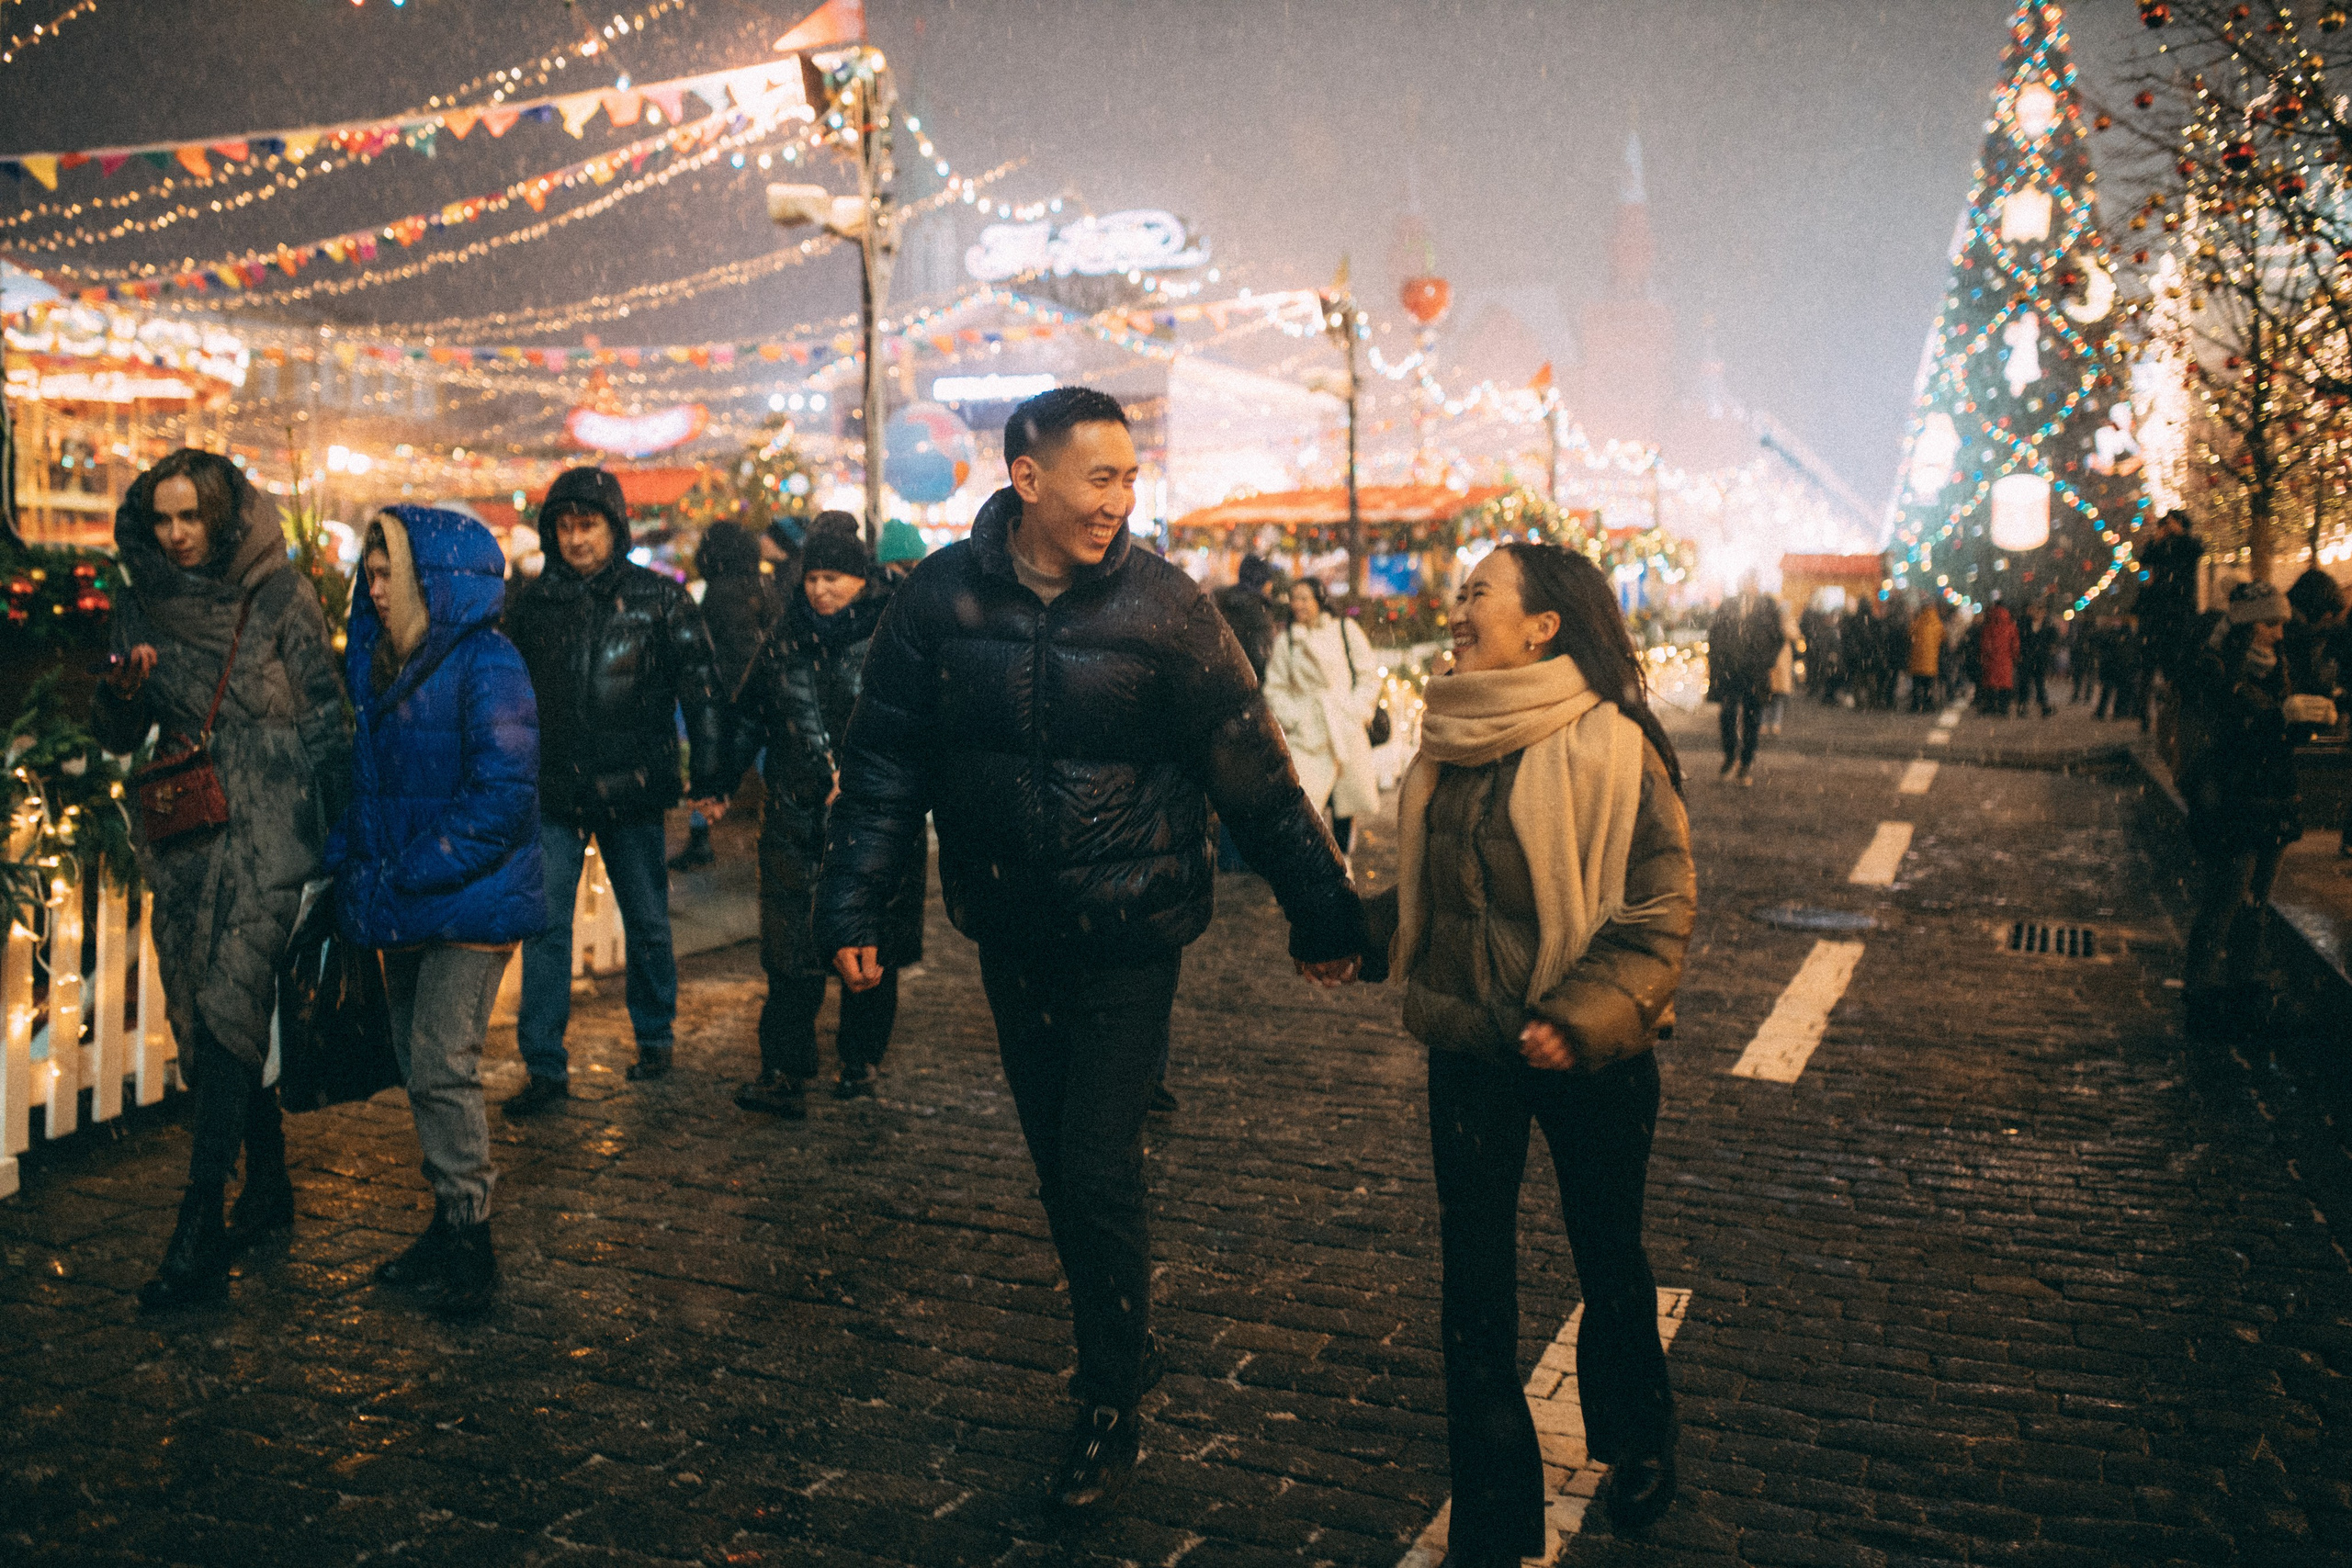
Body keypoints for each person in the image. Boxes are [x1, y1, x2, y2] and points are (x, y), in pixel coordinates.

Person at [813, 386, 1365, 1512]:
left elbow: (1253, 771)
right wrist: (853, 910)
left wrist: (1324, 910)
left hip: (1131, 937)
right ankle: (1116, 1340)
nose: (1120, 499)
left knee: (1096, 1161)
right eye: (1098, 478)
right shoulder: (936, 602)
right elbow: (883, 768)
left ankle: (1108, 1393)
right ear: (1028, 481)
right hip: (1009, 929)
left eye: (1129, 478)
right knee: (1057, 1165)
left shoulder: (1166, 609)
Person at [1360, 543, 1694, 1556]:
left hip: (1590, 1056)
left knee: (1607, 1254)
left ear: (1543, 625)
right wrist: (1349, 933)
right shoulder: (1451, 734)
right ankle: (1493, 1510)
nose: (1457, 611)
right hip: (1467, 1049)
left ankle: (1638, 1435)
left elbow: (1661, 907)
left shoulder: (1615, 742)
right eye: (1460, 594)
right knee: (1474, 1282)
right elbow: (1438, 898)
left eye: (1477, 595)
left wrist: (1579, 1017)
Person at [94, 450, 351, 1310]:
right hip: (191, 823)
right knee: (203, 1014)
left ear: (223, 516)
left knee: (232, 999)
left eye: (190, 517)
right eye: (162, 518)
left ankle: (197, 1225)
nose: (176, 534)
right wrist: (124, 696)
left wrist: (343, 834)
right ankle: (268, 1182)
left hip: (273, 818)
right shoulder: (143, 596)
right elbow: (122, 729)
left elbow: (326, 712)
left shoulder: (279, 594)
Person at [334, 507, 543, 1317]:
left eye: (395, 574)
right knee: (418, 1064)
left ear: (436, 578)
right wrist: (355, 857)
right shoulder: (384, 661)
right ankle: (446, 1219)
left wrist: (409, 867)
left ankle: (471, 1238)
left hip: (469, 899)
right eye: (372, 573)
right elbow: (373, 783)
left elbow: (503, 795)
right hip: (406, 894)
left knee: (440, 1061)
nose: (378, 589)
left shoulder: (488, 661)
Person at [502, 466, 729, 1106]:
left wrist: (709, 772)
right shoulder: (533, 604)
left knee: (649, 920)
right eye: (566, 527)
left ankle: (655, 1035)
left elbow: (702, 687)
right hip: (554, 789)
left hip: (632, 787)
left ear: (614, 528)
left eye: (588, 525)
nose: (576, 540)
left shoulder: (659, 598)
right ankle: (543, 1063)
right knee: (545, 927)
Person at [734, 514, 922, 1117]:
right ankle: (785, 1066)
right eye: (813, 576)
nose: (820, 588)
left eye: (834, 576)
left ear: (862, 578)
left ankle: (860, 1059)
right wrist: (714, 778)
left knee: (869, 946)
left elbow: (923, 725)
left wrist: (872, 777)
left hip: (875, 822)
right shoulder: (783, 637)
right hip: (795, 817)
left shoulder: (897, 636)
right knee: (790, 952)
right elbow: (749, 714)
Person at [2179, 581, 2336, 1043]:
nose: (2281, 633)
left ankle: (2243, 990)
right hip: (2234, 798)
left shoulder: (2275, 665)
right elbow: (2231, 728)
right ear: (2249, 626)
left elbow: (2271, 733)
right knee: (2226, 896)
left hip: (2271, 796)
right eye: (2272, 623)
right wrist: (2278, 717)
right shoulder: (2215, 665)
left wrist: (2304, 721)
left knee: (2256, 901)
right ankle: (2202, 994)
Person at [673, 521, 780, 871]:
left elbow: (723, 649)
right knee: (769, 764)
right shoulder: (765, 584)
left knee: (710, 765)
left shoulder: (722, 592)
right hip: (767, 695)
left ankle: (700, 836)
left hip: (735, 697)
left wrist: (726, 696)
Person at [1264, 574, 1383, 861]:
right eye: (1294, 598)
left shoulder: (1344, 630)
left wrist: (1356, 710)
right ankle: (1317, 866)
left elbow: (1367, 675)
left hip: (1344, 728)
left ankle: (1343, 864)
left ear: (1319, 600)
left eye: (1304, 598)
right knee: (1308, 805)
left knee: (1345, 807)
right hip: (1308, 734)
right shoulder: (1287, 642)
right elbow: (1275, 688)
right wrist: (1296, 718)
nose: (1298, 604)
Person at [1705, 579, 1778, 783]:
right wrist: (1717, 661)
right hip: (1730, 672)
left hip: (1755, 673)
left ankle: (1746, 762)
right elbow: (1715, 634)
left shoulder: (1767, 607)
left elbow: (1776, 637)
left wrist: (1766, 661)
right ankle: (1730, 755)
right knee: (1727, 714)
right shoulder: (1728, 605)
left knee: (1752, 719)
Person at [1215, 554, 1283, 683]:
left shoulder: (1223, 600)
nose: (1271, 585)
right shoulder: (1259, 609)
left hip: (1223, 675)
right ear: (1262, 580)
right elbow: (1260, 656)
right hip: (1249, 682)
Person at [1976, 598, 2019, 716]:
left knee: (1990, 683)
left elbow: (1984, 644)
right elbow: (2015, 644)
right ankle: (2003, 708)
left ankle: (1990, 706)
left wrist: (1983, 656)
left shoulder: (1988, 625)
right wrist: (2015, 657)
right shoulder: (2010, 626)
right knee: (2005, 684)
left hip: (1991, 659)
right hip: (2006, 660)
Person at [1763, 597, 1800, 735]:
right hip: (1770, 661)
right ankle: (1765, 722)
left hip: (1783, 662)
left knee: (1779, 695)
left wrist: (1784, 624)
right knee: (1767, 693)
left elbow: (1795, 635)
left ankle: (1776, 722)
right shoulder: (1769, 621)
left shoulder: (1787, 621)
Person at [2016, 601, 2058, 718]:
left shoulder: (2048, 625)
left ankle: (2044, 707)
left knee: (2040, 684)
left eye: (2041, 612)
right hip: (2026, 658)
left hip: (2040, 660)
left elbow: (2053, 639)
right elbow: (2019, 640)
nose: (2039, 614)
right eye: (2036, 611)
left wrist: (2049, 648)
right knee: (2024, 684)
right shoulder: (2024, 623)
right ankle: (2022, 707)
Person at [1908, 596, 1945, 713]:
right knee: (1928, 685)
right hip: (1931, 662)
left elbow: (1910, 633)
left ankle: (1916, 704)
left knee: (1917, 685)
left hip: (1917, 661)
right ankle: (1928, 704)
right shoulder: (1937, 623)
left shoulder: (1918, 621)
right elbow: (1943, 638)